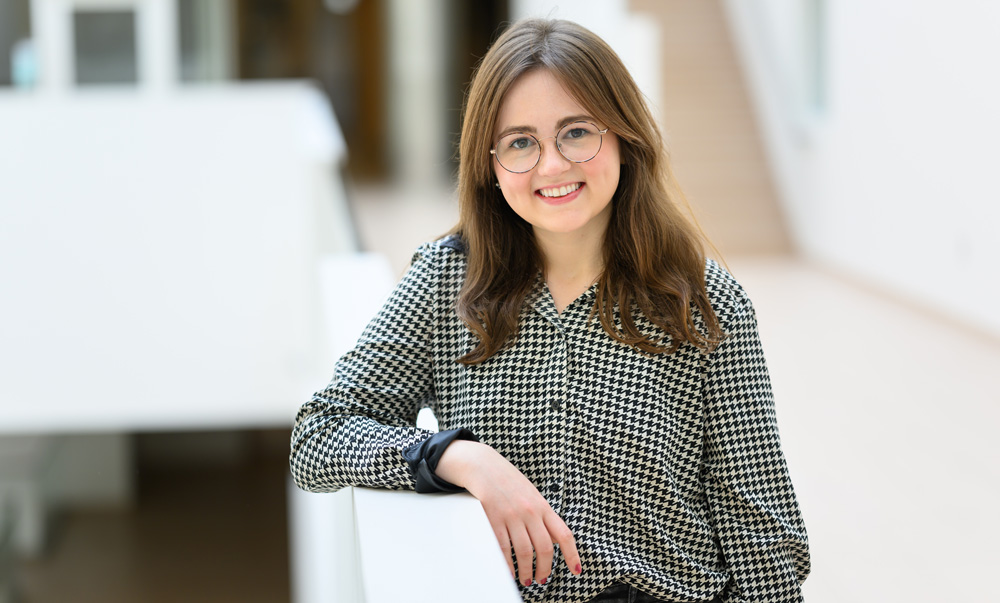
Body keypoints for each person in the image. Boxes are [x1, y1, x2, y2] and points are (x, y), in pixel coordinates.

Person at [290, 17, 810, 603]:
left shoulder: (702, 303)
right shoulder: (447, 281)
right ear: (489, 163)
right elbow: (319, 435)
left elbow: (763, 534)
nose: (552, 166)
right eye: (520, 142)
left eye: (576, 133)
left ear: (623, 135)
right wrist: (459, 457)